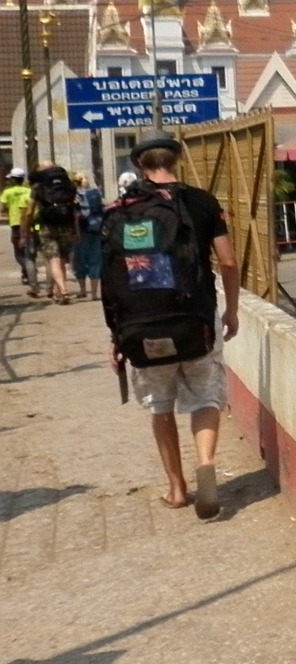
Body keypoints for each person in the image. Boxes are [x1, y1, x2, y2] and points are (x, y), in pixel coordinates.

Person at [113, 136, 242, 518]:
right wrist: (231, 310)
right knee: (205, 397)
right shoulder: (201, 202)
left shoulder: (124, 209)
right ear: (177, 161)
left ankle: (176, 488)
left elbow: (114, 279)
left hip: (141, 327)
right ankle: (205, 462)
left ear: (140, 167)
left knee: (160, 406)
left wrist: (116, 335)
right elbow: (229, 262)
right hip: (198, 321)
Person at [27, 161, 79, 304]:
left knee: (53, 259)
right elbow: (75, 210)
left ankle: (62, 290)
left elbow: (30, 210)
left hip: (46, 226)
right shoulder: (68, 185)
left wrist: (27, 227)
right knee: (62, 258)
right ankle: (58, 291)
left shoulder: (37, 187)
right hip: (66, 224)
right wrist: (76, 230)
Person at [69, 172, 106, 300]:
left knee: (79, 261)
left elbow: (75, 216)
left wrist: (76, 233)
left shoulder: (75, 196)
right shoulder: (95, 193)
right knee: (95, 261)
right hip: (96, 230)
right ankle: (95, 293)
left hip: (82, 231)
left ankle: (82, 290)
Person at [3, 167, 31, 289]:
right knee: (29, 249)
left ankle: (27, 269)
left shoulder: (7, 192)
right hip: (30, 222)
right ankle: (28, 271)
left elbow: (2, 208)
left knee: (18, 251)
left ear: (13, 180)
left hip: (15, 223)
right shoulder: (28, 191)